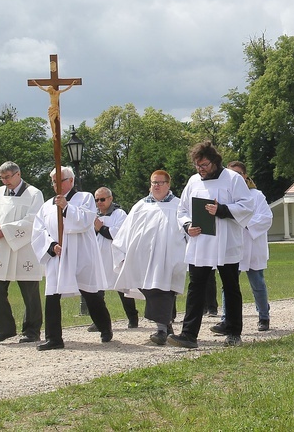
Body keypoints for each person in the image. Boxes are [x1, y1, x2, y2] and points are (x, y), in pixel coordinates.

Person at [169, 141, 254, 349]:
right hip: (201, 242)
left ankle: (234, 332)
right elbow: (182, 210)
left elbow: (247, 206)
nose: (201, 169)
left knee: (231, 286)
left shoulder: (233, 179)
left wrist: (222, 210)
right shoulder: (193, 181)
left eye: (205, 165)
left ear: (215, 161)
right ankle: (189, 334)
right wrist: (188, 225)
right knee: (196, 287)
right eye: (197, 165)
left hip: (226, 241)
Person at [31, 166, 113, 350]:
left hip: (81, 252)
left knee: (91, 294)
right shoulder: (46, 205)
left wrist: (66, 207)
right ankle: (54, 338)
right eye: (53, 181)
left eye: (60, 180)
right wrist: (51, 245)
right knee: (52, 295)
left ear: (71, 181)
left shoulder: (85, 198)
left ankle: (105, 327)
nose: (56, 184)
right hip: (58, 255)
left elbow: (86, 220)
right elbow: (39, 230)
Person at [112, 170, 188, 345]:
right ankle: (166, 326)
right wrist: (122, 252)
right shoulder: (141, 206)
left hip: (170, 257)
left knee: (163, 290)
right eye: (154, 182)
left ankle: (161, 331)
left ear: (168, 185)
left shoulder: (178, 205)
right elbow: (126, 230)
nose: (157, 186)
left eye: (161, 183)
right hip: (143, 259)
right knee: (151, 289)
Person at [0, 161, 45, 344]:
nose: (5, 182)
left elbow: (34, 220)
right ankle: (5, 328)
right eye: (2, 178)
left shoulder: (34, 194)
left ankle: (32, 330)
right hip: (1, 247)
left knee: (29, 291)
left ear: (18, 174)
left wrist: (7, 230)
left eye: (8, 177)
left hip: (24, 247)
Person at [211, 161, 273, 335]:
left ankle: (263, 316)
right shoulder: (225, 196)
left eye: (239, 174)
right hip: (231, 244)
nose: (236, 177)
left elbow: (266, 218)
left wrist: (244, 221)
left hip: (251, 244)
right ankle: (226, 319)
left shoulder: (256, 195)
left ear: (245, 176)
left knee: (257, 282)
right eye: (232, 174)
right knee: (228, 284)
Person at [92, 187, 138, 330]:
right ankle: (100, 321)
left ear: (110, 198)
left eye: (102, 199)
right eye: (97, 200)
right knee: (97, 291)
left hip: (115, 256)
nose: (99, 202)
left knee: (123, 289)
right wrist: (95, 229)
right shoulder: (93, 215)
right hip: (99, 257)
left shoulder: (120, 214)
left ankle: (132, 317)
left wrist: (101, 228)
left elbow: (119, 233)